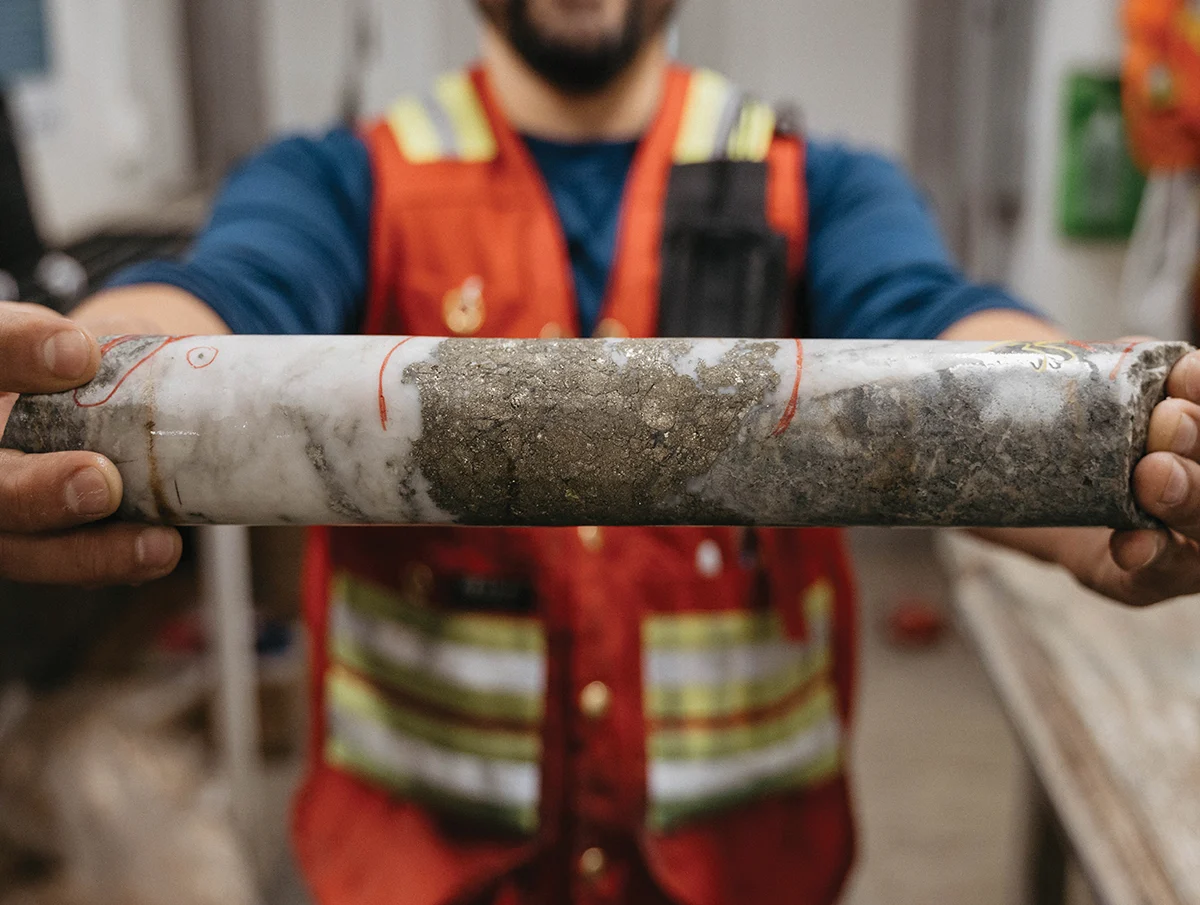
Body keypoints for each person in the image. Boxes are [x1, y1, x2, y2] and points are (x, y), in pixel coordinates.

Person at [3, 1, 1200, 902]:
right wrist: (70, 384)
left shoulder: (815, 187)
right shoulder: (342, 181)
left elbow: (940, 326)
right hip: (426, 875)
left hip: (738, 876)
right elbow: (223, 292)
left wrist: (1112, 444)